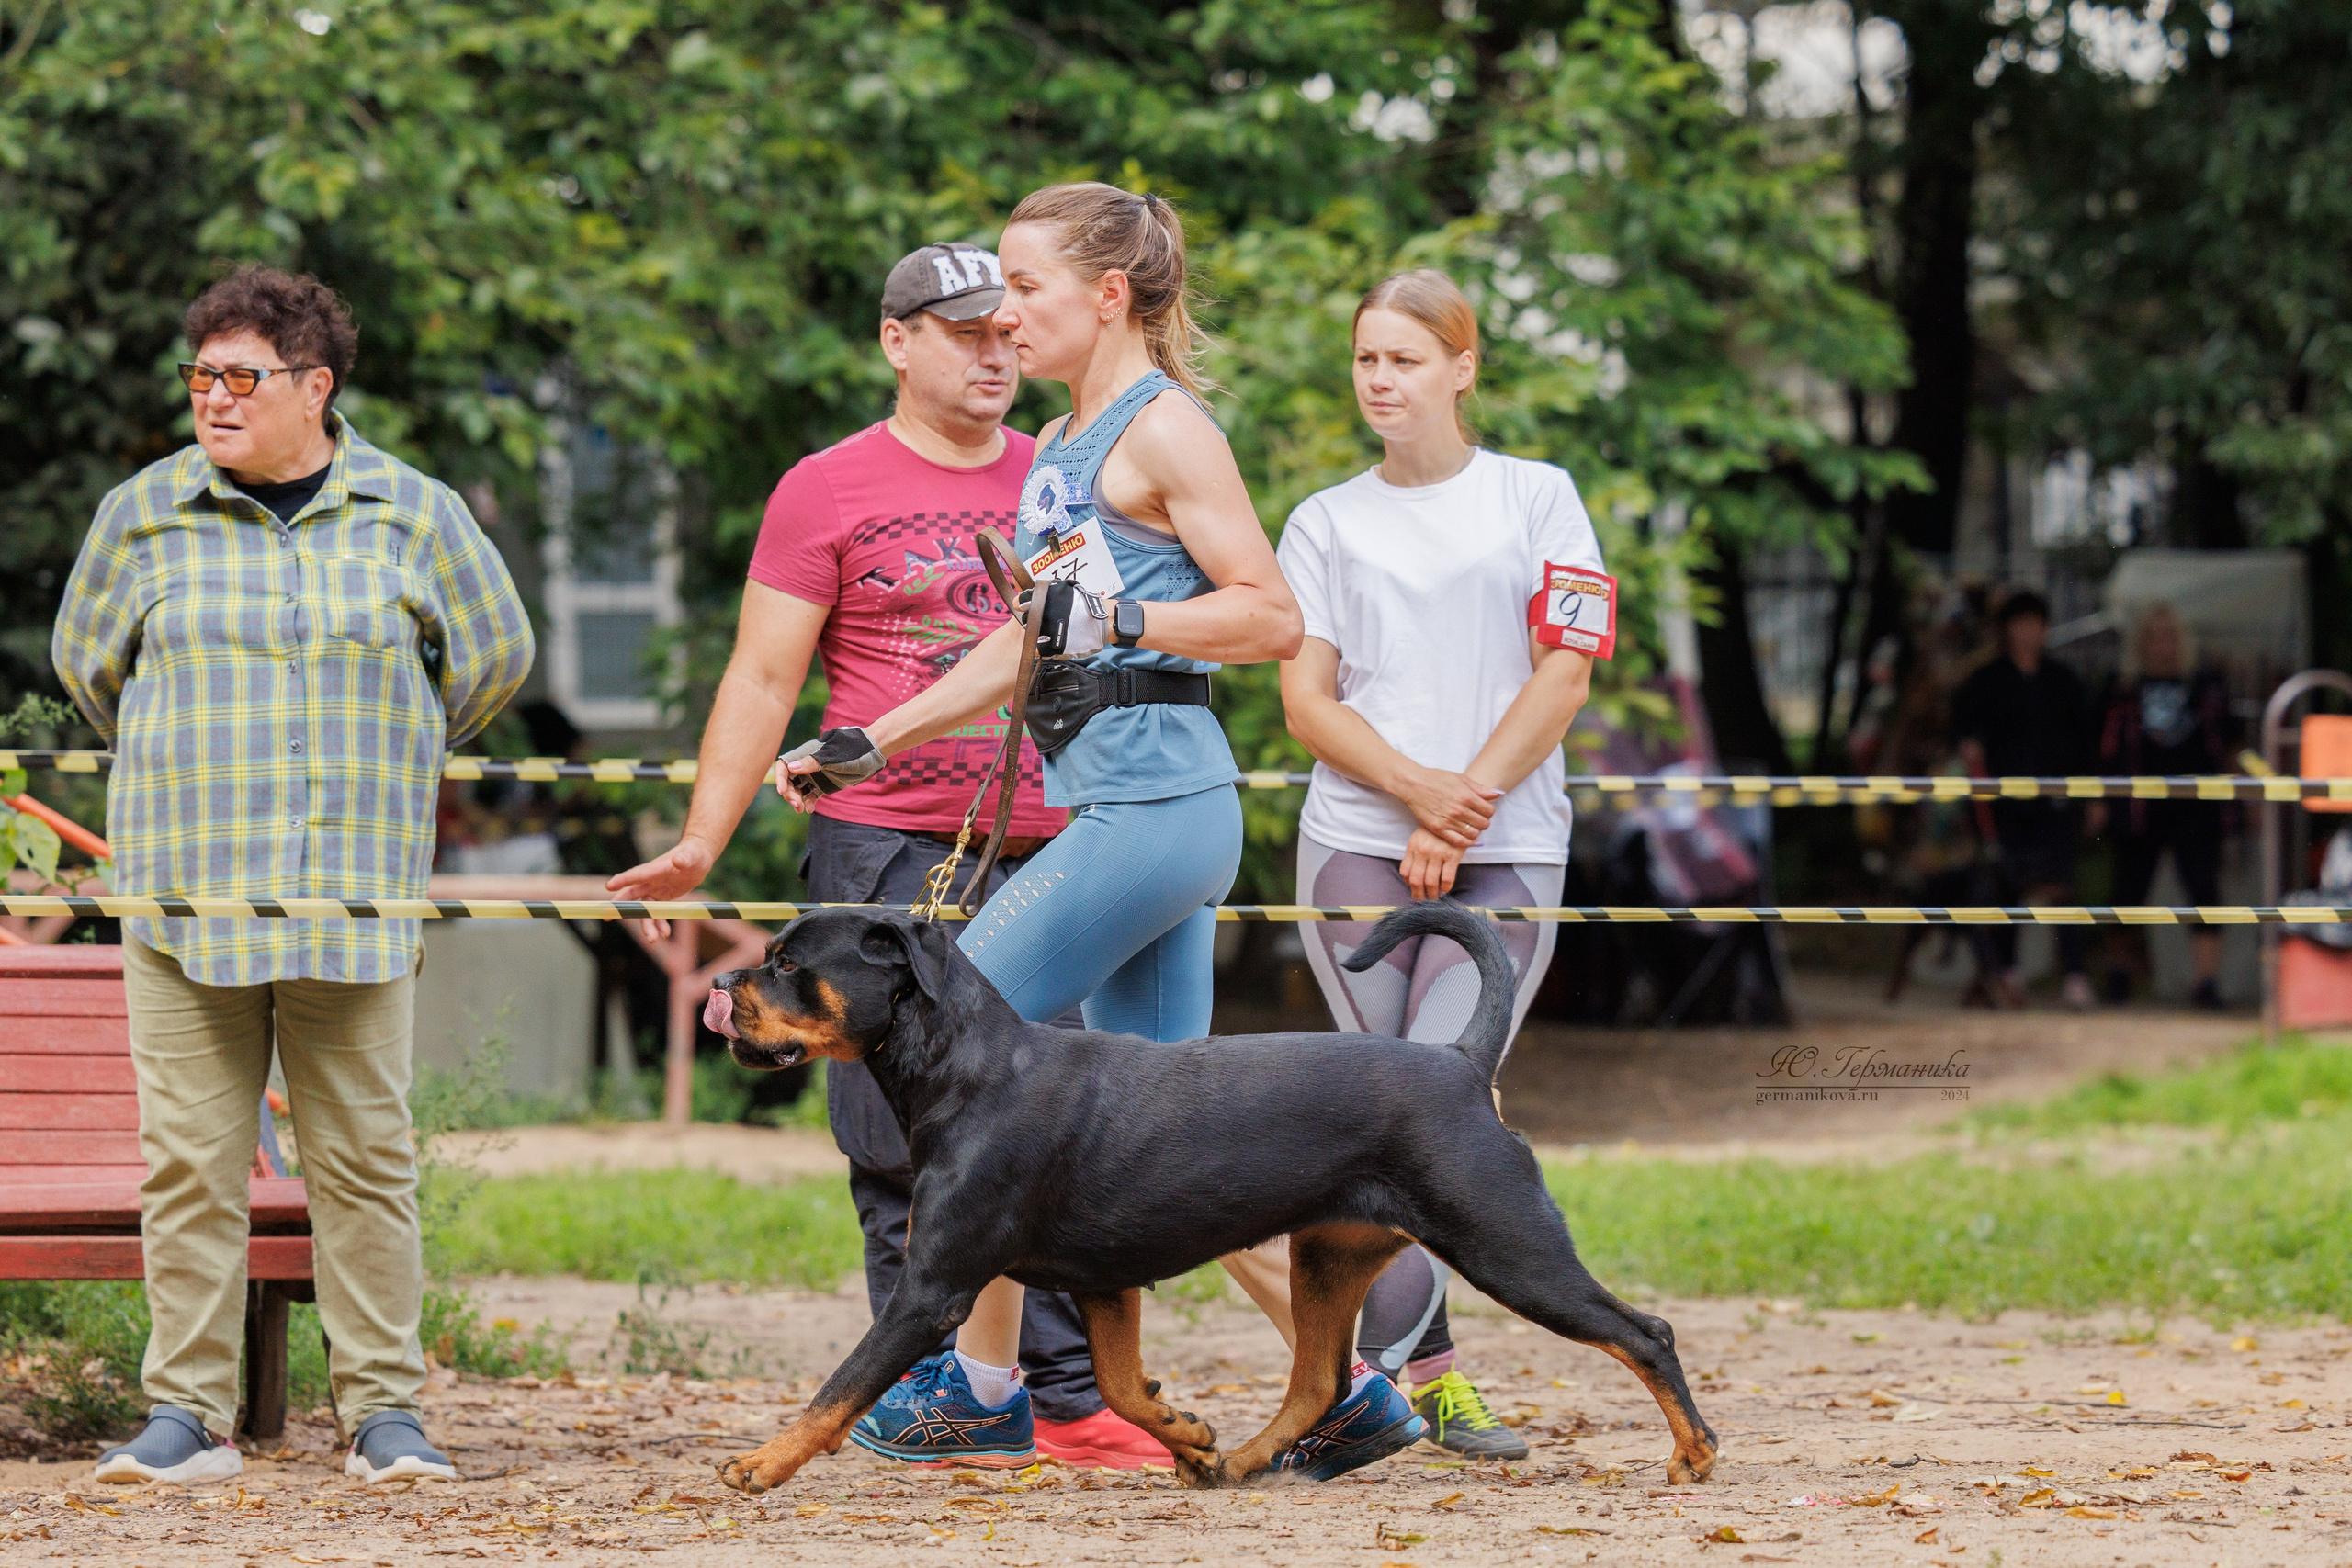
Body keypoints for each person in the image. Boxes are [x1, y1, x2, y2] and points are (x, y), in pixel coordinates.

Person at [784, 186, 1420, 1481]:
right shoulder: (1066, 444)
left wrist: (1123, 627)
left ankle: (975, 1381)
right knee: (1167, 1144)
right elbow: (1029, 641)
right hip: (1124, 808)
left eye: (1026, 287)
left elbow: (1269, 618)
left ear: (1109, 295)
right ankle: (1352, 1398)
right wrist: (881, 736)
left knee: (969, 1068)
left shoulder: (1165, 430)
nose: (1007, 316)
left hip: (1159, 810)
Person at [605, 243, 1163, 1470]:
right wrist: (703, 836)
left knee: (1058, 1115)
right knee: (889, 1122)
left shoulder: (1062, 469)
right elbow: (762, 676)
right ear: (896, 339)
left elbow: (1105, 646)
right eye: (964, 332)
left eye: (1008, 331)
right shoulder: (826, 486)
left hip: (1050, 836)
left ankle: (1073, 1398)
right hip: (885, 843)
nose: (995, 352)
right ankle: (927, 1390)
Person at [53, 265, 533, 1484]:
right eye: (199, 374)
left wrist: (388, 747)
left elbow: (492, 659)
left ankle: (384, 1414)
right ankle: (186, 1413)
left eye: (241, 376)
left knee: (366, 1157)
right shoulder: (142, 512)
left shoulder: (415, 512)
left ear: (315, 386)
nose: (212, 396)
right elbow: (88, 668)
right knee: (190, 1159)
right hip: (184, 891)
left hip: (351, 897)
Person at [1275, 270, 1598, 1460]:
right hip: (1356, 839)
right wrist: (1415, 791)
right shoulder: (1322, 520)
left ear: (1463, 367)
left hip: (1509, 843)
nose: (1379, 380)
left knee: (1438, 1098)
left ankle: (1382, 1379)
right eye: (1365, 359)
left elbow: (1564, 672)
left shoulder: (1542, 498)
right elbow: (1306, 700)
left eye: (1404, 359)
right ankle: (1419, 1381)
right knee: (1378, 1117)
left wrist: (1459, 812)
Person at [1950, 589, 2095, 1008]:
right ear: (2007, 629)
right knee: (2006, 888)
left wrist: (2091, 796)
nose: (2029, 631)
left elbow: (2083, 742)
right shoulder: (1984, 681)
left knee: (2063, 888)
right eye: (2020, 623)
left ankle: (2075, 975)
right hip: (2003, 804)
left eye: (2036, 622)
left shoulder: (2063, 680)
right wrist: (1969, 749)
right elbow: (1963, 733)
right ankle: (2008, 972)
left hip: (2055, 801)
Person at [2092, 603, 2234, 1008]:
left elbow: (2229, 743)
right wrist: (2100, 798)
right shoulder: (2121, 688)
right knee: (2127, 890)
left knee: (2204, 890)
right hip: (2139, 806)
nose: (2161, 644)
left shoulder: (2205, 685)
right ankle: (2119, 974)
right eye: (2152, 636)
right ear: (2140, 643)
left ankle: (2206, 982)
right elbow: (2101, 749)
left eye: (2169, 635)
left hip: (2197, 805)